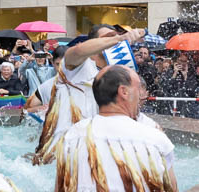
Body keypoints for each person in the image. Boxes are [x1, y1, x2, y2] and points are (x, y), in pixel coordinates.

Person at [54, 66, 178, 192]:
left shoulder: (71, 136)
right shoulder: (156, 139)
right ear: (123, 92)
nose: (142, 95)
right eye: (138, 88)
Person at [31, 23, 146, 164]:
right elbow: (79, 51)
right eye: (108, 37)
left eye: (116, 36)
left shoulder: (119, 73)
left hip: (97, 152)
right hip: (64, 152)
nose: (114, 40)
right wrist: (120, 39)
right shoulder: (76, 66)